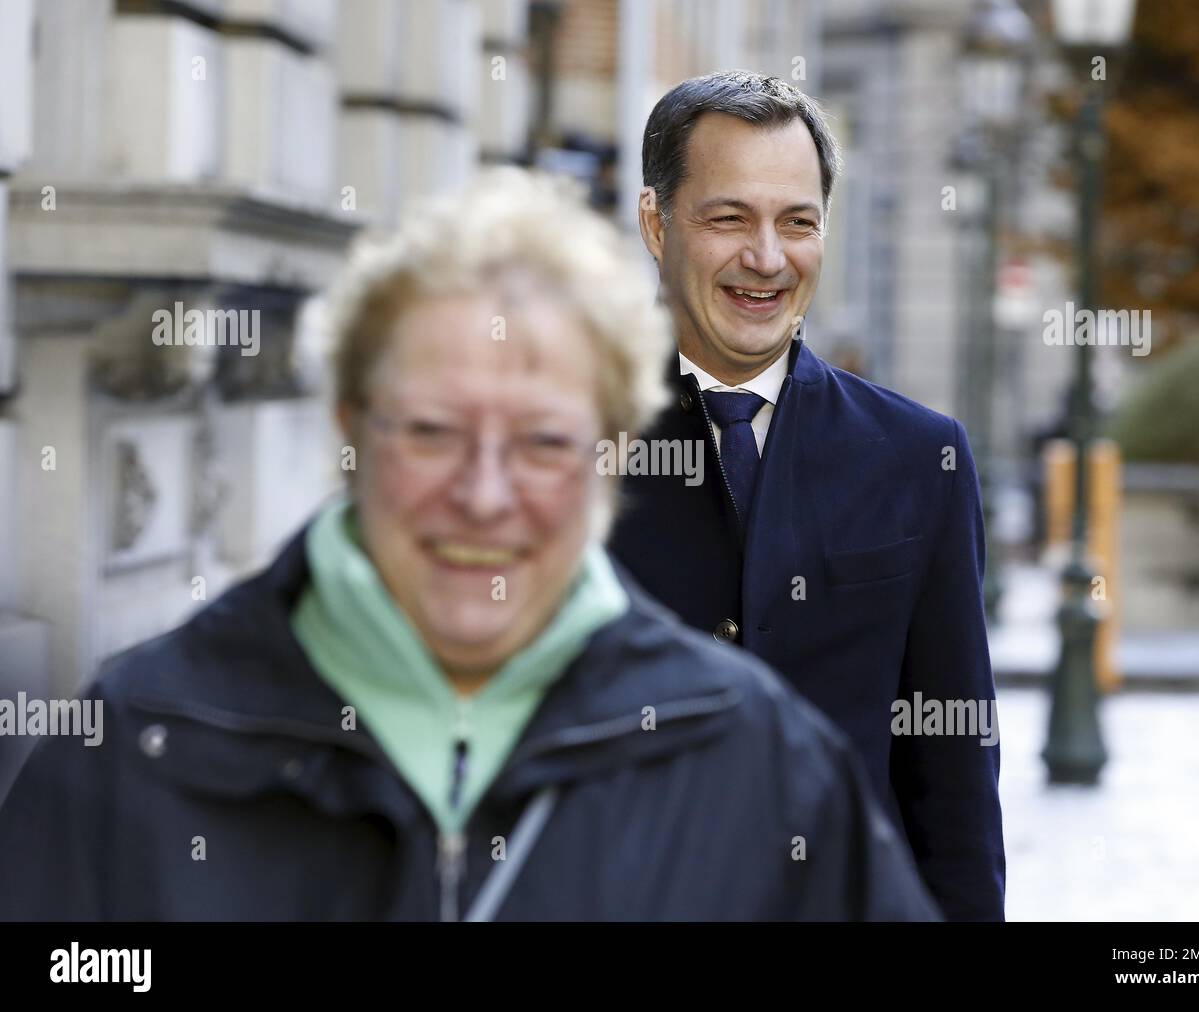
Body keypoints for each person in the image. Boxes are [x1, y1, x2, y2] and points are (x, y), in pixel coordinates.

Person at [0, 168, 937, 922]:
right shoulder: (134, 753)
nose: (484, 497)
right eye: (434, 432)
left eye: (541, 443)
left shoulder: (762, 769)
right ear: (351, 429)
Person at [608, 71, 1006, 921]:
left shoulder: (921, 458)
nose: (767, 258)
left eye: (798, 223)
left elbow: (954, 777)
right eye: (728, 218)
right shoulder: (561, 450)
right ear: (655, 223)